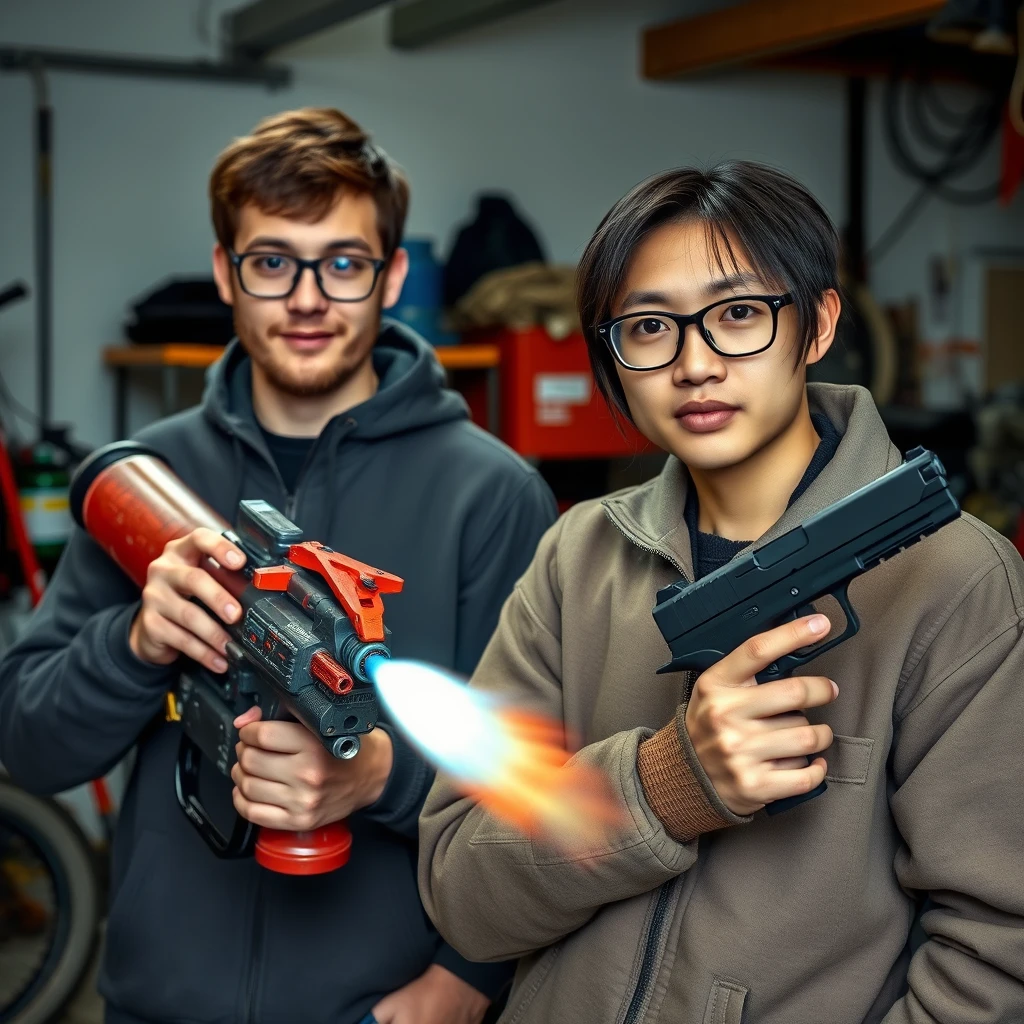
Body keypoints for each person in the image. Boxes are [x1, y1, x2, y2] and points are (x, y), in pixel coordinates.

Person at [419, 161, 1024, 1023]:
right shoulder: (577, 558)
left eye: (738, 314)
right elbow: (461, 895)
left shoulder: (958, 581)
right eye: (650, 326)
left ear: (816, 324)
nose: (695, 363)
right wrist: (663, 787)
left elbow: (996, 959)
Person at [0, 107, 556, 1024]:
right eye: (272, 262)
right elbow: (26, 742)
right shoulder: (147, 487)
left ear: (393, 275)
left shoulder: (493, 496)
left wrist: (460, 987)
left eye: (343, 263)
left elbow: (544, 781)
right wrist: (135, 643)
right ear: (226, 271)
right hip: (157, 1004)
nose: (307, 299)